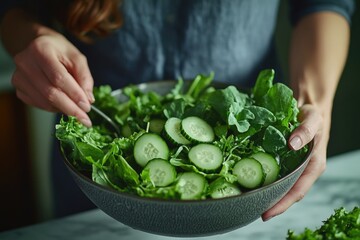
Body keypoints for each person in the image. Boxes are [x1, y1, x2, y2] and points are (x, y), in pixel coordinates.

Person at [0, 0, 355, 221]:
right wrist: (33, 39)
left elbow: (322, 3)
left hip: (247, 193)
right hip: (93, 152)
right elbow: (15, 6)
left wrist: (312, 100)